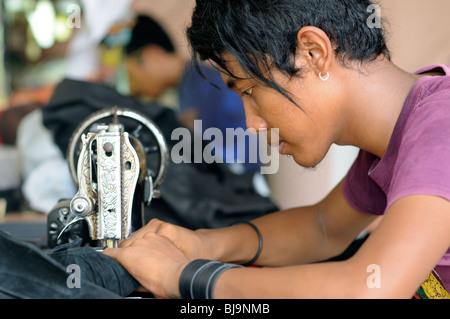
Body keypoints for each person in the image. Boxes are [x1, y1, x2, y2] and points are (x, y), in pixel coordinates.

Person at [102, 0, 450, 299]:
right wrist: (203, 244)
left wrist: (181, 277)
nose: (252, 124)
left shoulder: (441, 125)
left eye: (250, 90)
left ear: (313, 53)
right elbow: (322, 227)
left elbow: (370, 288)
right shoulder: (399, 134)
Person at [125, 15, 261, 172]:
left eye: (131, 78)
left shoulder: (201, 88)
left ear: (151, 56)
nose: (133, 90)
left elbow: (245, 149)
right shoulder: (196, 82)